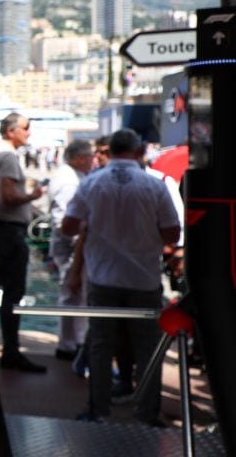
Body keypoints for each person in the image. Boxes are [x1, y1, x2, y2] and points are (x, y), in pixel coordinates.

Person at [63, 129, 181, 427]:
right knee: (146, 349)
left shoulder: (91, 183)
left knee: (102, 347)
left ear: (110, 151)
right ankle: (146, 414)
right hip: (143, 277)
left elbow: (68, 226)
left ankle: (97, 410)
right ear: (140, 151)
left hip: (103, 276)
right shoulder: (154, 185)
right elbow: (173, 233)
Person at [0, 112, 48, 373]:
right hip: (8, 232)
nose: (29, 133)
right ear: (11, 131)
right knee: (13, 294)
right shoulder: (6, 156)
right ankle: (11, 352)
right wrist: (33, 195)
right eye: (26, 128)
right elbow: (7, 197)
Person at [47, 139, 95, 361]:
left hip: (74, 245)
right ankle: (67, 345)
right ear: (79, 158)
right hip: (70, 247)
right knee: (71, 293)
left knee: (76, 295)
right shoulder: (68, 182)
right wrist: (80, 238)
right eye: (91, 156)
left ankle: (72, 341)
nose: (94, 160)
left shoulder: (73, 178)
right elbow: (63, 221)